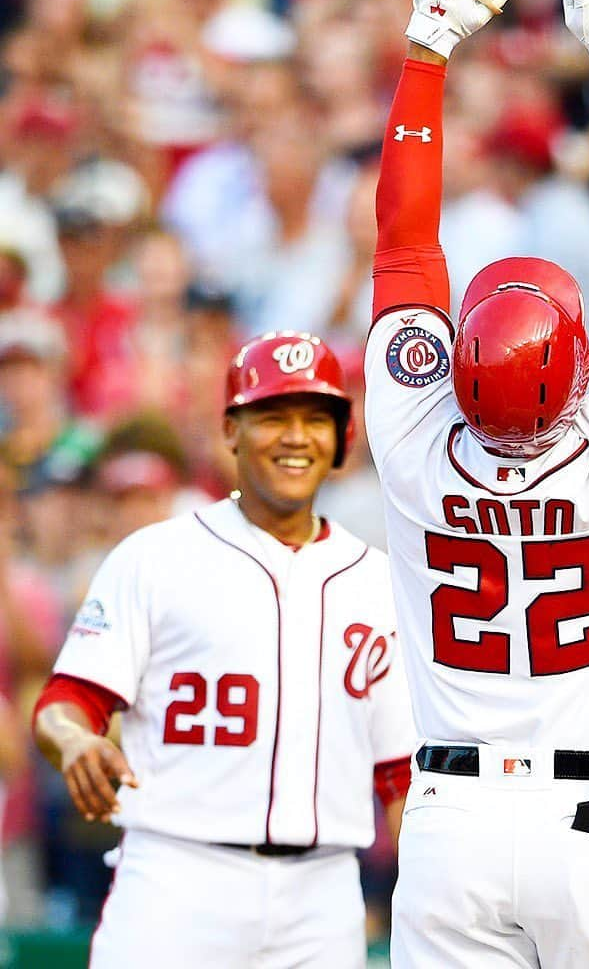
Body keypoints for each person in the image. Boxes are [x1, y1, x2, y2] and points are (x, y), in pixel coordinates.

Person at [366, 0, 589, 967]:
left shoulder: (417, 437)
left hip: (450, 824)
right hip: (587, 822)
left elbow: (404, 233)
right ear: (578, 368)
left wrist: (426, 51)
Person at [32, 330, 415, 968]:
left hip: (322, 898)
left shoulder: (378, 582)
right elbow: (67, 699)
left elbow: (399, 773)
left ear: (343, 436)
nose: (297, 437)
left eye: (316, 418)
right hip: (177, 878)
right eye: (273, 416)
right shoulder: (155, 557)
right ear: (231, 430)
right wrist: (75, 741)